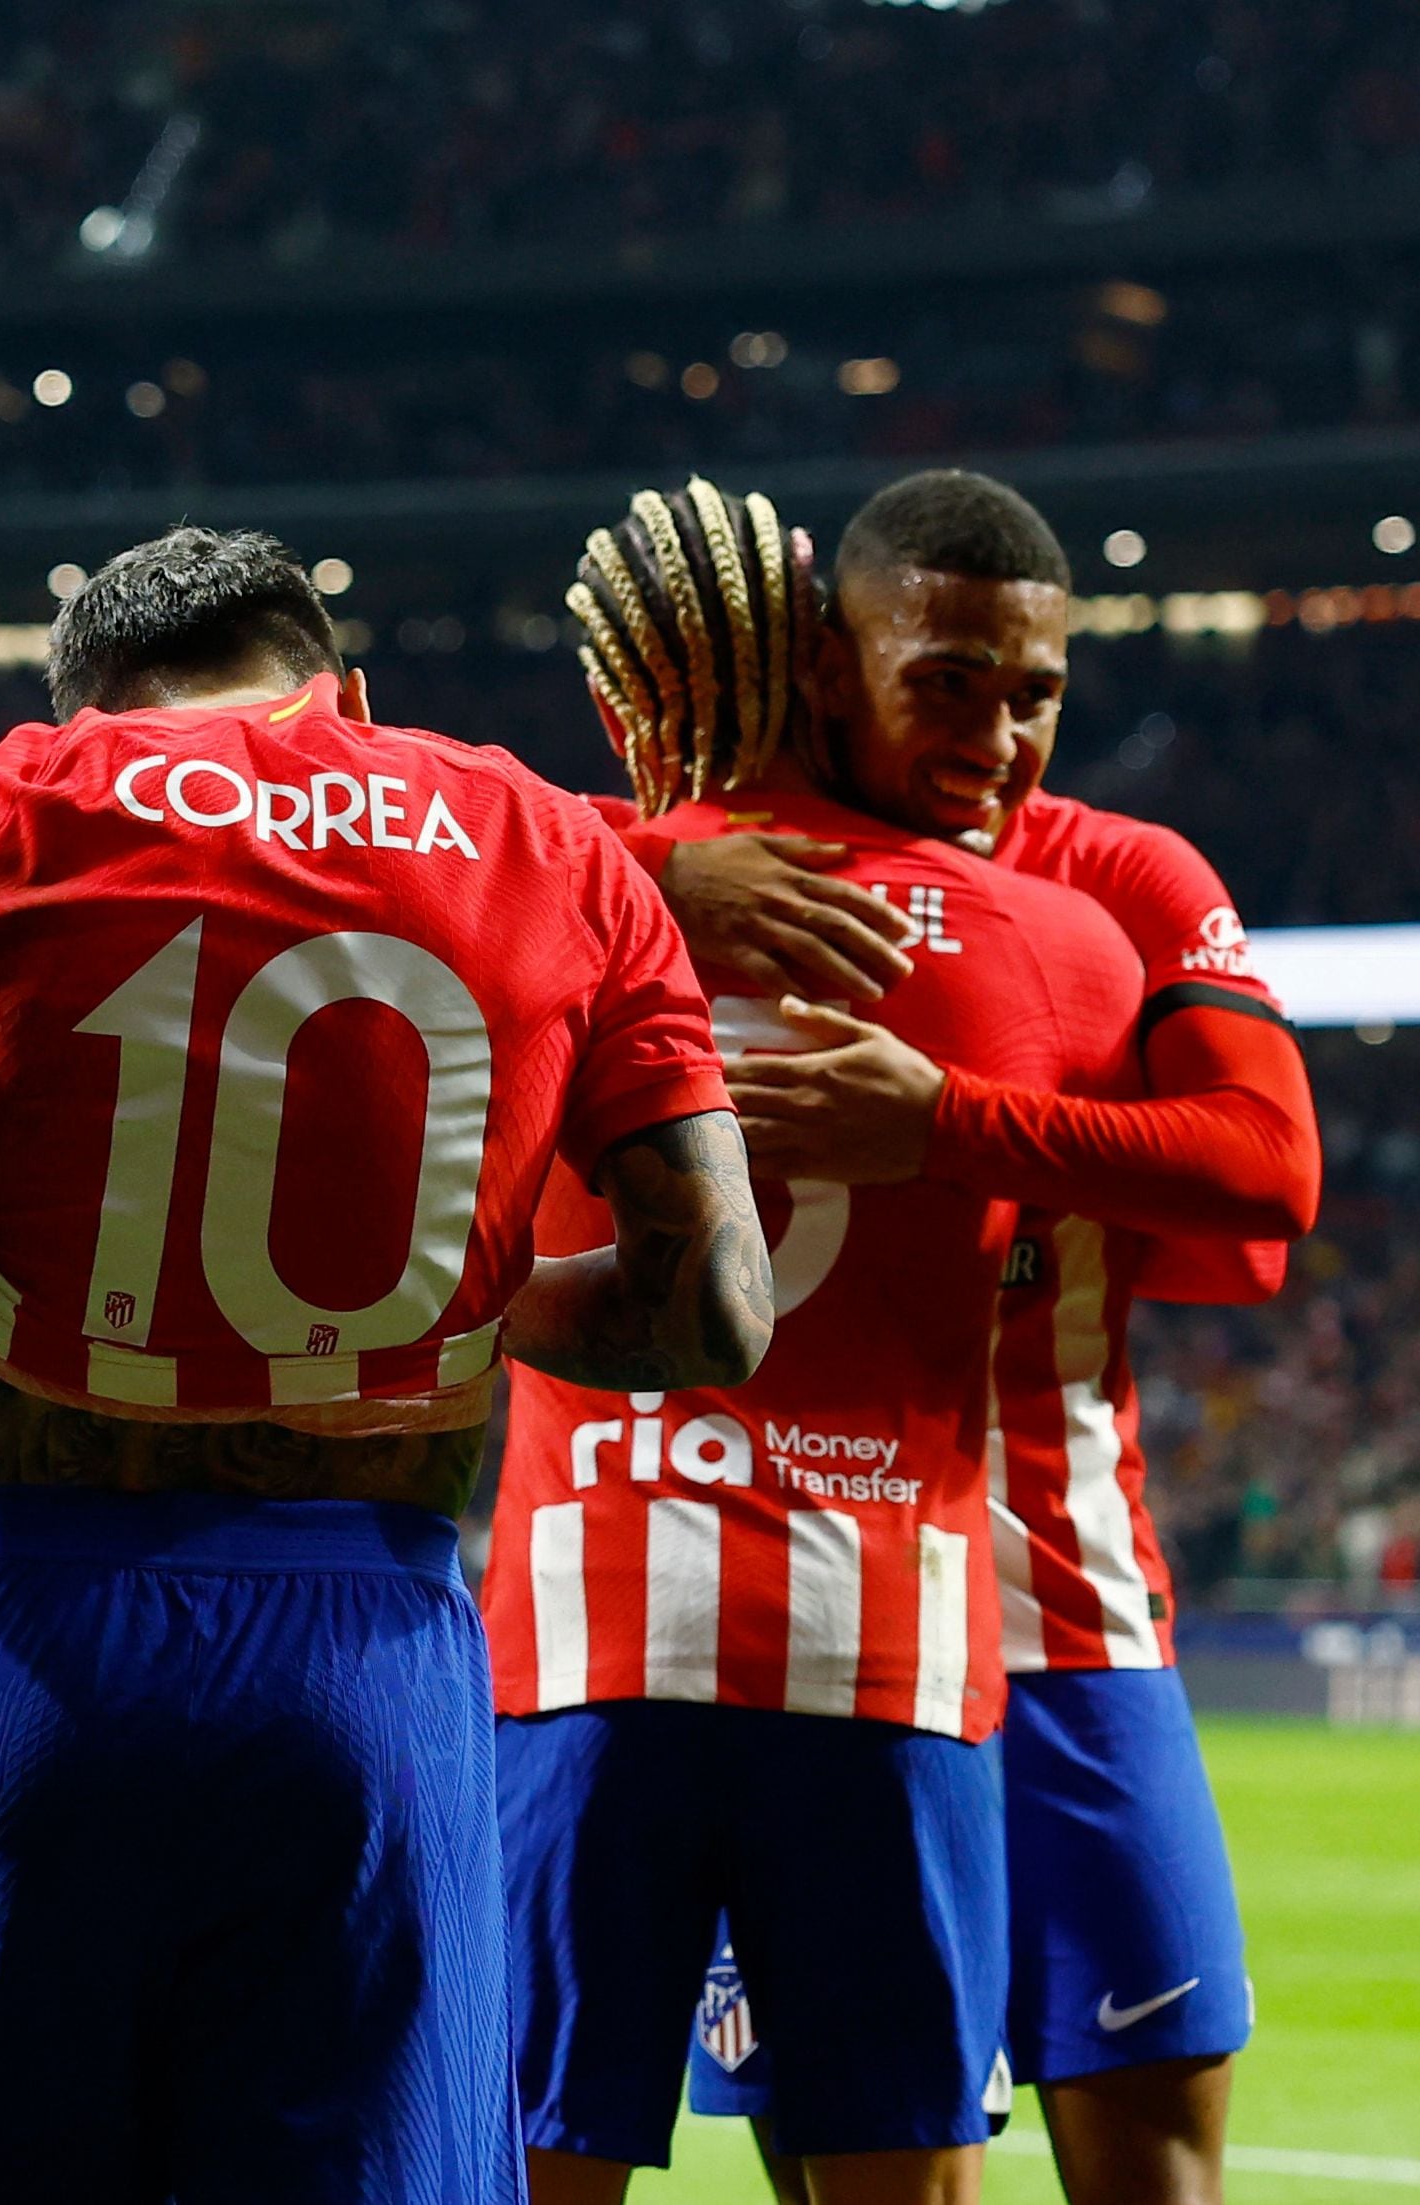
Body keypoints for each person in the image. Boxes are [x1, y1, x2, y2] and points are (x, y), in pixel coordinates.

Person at [0, 524, 773, 2201]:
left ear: (92, 711)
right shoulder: (546, 840)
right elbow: (720, 1304)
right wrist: (454, 1281)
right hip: (363, 1639)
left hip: (43, 1642)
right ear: (340, 691)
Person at [644, 476, 1319, 2203]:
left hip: (1065, 1607)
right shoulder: (715, 866)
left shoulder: (1129, 877)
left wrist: (948, 1122)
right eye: (944, 680)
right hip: (808, 1618)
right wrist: (660, 864)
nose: (997, 737)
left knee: (1157, 2157)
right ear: (826, 670)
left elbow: (1267, 1164)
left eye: (1034, 695)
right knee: (849, 2158)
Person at [491, 478, 1161, 2205]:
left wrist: (625, 856)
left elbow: (388, 854)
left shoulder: (530, 895)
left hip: (586, 1627)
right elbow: (1247, 1174)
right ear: (831, 671)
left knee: (508, 2171)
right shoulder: (1066, 950)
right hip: (885, 1650)